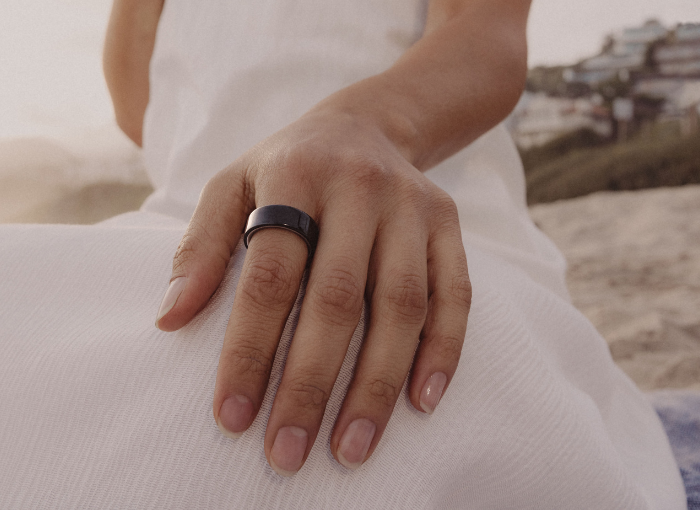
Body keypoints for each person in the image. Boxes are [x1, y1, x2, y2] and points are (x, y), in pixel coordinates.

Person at [0, 0, 688, 508]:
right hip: (187, 230)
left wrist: (358, 125)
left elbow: (489, 35)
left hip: (420, 211)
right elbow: (141, 102)